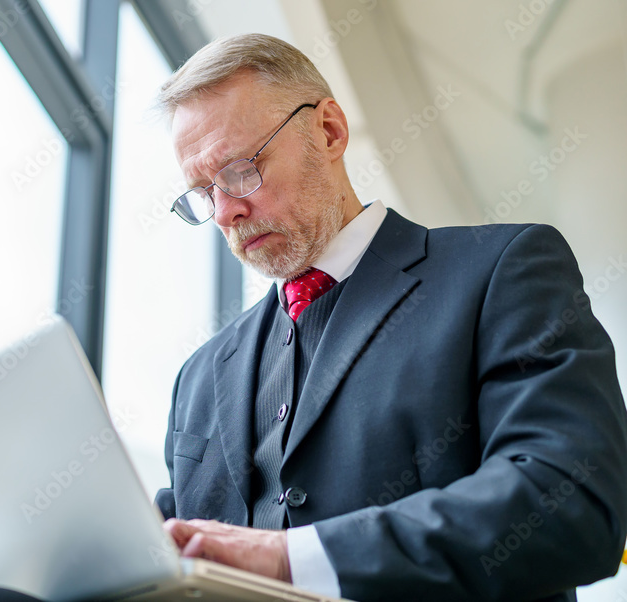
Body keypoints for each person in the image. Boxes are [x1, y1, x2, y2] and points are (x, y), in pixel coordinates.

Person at [154, 34, 627, 601]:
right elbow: (161, 549)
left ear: (328, 130)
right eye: (204, 193)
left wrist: (290, 559)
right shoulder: (197, 377)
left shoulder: (501, 272)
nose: (226, 210)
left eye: (239, 170)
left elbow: (572, 501)